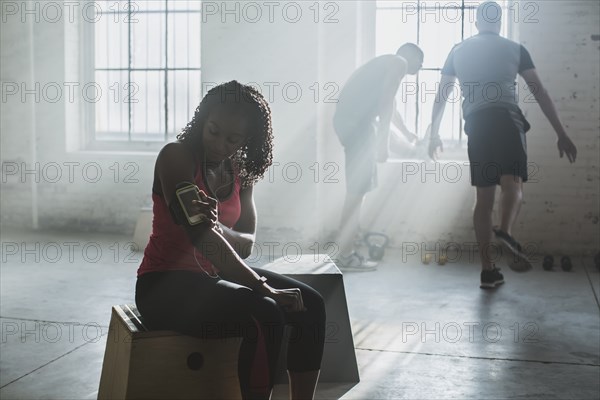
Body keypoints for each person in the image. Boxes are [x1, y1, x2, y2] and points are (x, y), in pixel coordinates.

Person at [135, 81, 326, 400]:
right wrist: (263, 288)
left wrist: (219, 228)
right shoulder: (177, 157)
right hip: (163, 286)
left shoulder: (241, 172)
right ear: (202, 122)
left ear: (247, 140)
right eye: (213, 131)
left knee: (311, 305)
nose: (220, 144)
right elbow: (199, 236)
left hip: (216, 278)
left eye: (233, 139)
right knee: (265, 314)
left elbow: (246, 243)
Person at [428, 1, 577, 288]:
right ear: (499, 22)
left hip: (476, 124)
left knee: (483, 200)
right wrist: (561, 132)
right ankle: (505, 231)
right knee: (513, 183)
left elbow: (442, 94)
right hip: (507, 119)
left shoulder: (458, 50)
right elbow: (539, 90)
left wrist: (432, 133)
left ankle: (488, 271)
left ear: (476, 22)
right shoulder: (515, 48)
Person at [333, 43, 424, 271]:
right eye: (420, 62)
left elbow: (391, 107)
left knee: (357, 193)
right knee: (356, 195)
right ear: (410, 56)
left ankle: (346, 251)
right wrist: (382, 146)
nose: (420, 68)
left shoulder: (384, 67)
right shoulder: (398, 63)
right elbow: (384, 105)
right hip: (357, 126)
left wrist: (407, 134)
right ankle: (345, 256)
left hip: (351, 124)